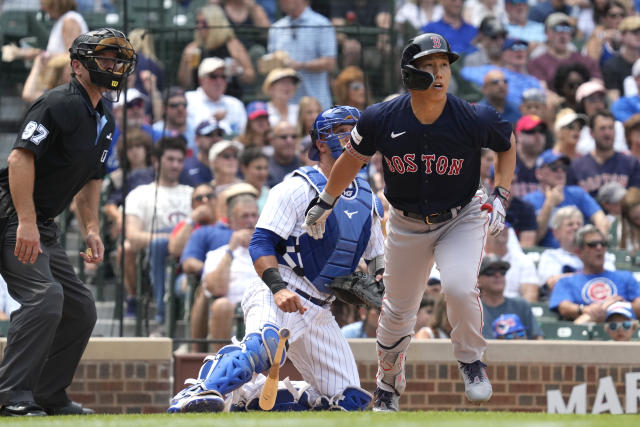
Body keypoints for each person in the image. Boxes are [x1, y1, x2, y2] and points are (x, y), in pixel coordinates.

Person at [303, 33, 517, 410]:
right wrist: (327, 199)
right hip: (405, 222)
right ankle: (388, 383)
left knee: (459, 287)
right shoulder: (382, 117)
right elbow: (352, 160)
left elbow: (506, 143)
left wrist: (501, 193)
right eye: (429, 66)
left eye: (444, 66)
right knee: (398, 311)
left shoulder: (471, 115)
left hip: (461, 216)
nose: (439, 74)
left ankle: (471, 361)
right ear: (409, 74)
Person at [168, 105, 384, 413]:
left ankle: (258, 396)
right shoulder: (297, 186)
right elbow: (261, 242)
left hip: (320, 307)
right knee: (264, 346)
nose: (351, 137)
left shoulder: (369, 198)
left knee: (349, 399)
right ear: (321, 143)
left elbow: (378, 262)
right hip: (281, 287)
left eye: (355, 129)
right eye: (340, 130)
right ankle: (200, 390)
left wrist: (380, 288)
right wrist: (278, 287)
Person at [0, 28, 136, 416]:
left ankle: (47, 394)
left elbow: (91, 181)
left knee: (79, 308)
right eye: (104, 58)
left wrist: (92, 229)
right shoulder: (57, 102)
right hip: (11, 213)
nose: (113, 65)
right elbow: (19, 159)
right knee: (45, 297)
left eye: (116, 59)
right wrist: (25, 220)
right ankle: (10, 396)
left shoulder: (106, 120)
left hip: (39, 221)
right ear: (77, 66)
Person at [124, 137, 194, 327]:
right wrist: (170, 238)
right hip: (151, 258)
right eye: (170, 159)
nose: (175, 165)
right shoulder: (140, 194)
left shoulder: (192, 193)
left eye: (179, 160)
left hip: (187, 256)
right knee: (158, 244)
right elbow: (132, 235)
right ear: (156, 161)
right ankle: (163, 315)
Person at [201, 194, 259, 351]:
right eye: (244, 216)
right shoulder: (218, 254)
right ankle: (222, 360)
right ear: (232, 222)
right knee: (221, 305)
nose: (250, 221)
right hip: (232, 309)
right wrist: (232, 248)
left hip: (264, 307)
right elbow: (216, 289)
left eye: (254, 215)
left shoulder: (270, 252)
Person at [549, 224, 640, 321]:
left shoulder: (625, 276)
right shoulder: (566, 282)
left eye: (603, 243)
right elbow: (564, 307)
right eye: (592, 244)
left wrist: (614, 308)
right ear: (579, 252)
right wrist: (588, 309)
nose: (599, 247)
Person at [524, 150, 610, 247]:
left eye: (564, 167)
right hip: (545, 256)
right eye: (554, 167)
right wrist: (549, 205)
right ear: (539, 173)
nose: (560, 171)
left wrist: (600, 245)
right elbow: (533, 239)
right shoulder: (528, 201)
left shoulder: (577, 193)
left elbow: (601, 219)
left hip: (578, 254)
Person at [267, 0, 337, 109]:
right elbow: (271, 65)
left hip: (316, 104)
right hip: (287, 107)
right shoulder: (276, 28)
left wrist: (300, 65)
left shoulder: (322, 24)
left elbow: (330, 63)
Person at [567, 110, 640, 198]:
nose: (607, 133)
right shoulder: (576, 166)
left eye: (610, 128)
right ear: (591, 133)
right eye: (602, 128)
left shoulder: (631, 163)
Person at [528, 13, 602, 91]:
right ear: (548, 33)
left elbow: (598, 87)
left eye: (567, 29)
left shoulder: (585, 60)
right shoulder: (537, 63)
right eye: (558, 29)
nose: (563, 35)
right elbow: (542, 91)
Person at [477, 255, 543, 339]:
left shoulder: (521, 305)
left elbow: (538, 339)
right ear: (478, 280)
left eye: (502, 271)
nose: (498, 275)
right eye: (490, 271)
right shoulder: (472, 309)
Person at [185, 57, 248, 137]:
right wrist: (211, 120)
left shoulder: (235, 104)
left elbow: (243, 135)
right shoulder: (188, 100)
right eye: (213, 76)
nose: (219, 81)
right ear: (201, 80)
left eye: (223, 77)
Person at [603, 16, 640, 102]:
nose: (639, 35)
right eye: (635, 32)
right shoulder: (611, 66)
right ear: (622, 35)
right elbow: (614, 101)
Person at [267, 121, 301, 187]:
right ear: (272, 140)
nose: (289, 141)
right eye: (283, 137)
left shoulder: (305, 165)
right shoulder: (264, 168)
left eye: (293, 136)